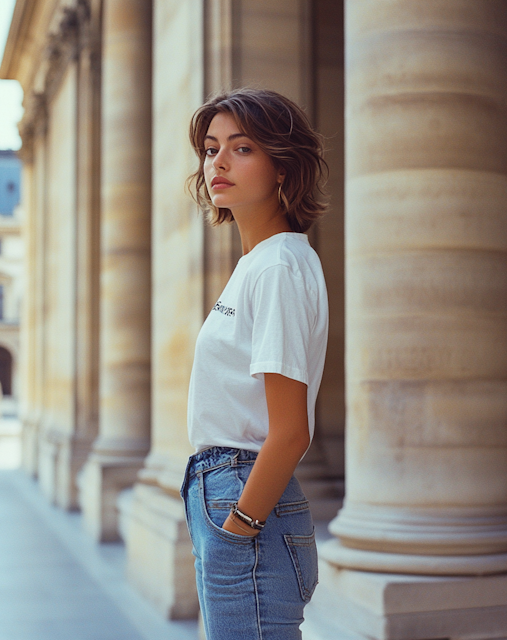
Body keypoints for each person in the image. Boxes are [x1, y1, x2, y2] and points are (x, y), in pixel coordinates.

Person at [181, 88, 329, 640]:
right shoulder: (259, 264)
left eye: (241, 149)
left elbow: (291, 432)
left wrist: (238, 527)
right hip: (226, 493)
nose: (217, 162)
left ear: (283, 169)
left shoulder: (278, 267)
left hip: (245, 499)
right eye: (211, 147)